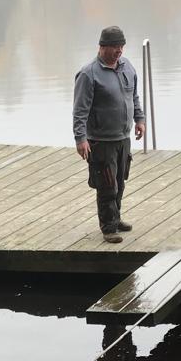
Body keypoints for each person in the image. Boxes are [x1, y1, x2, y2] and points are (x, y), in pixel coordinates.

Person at [72, 24, 146, 243]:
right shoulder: (88, 74)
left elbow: (134, 96)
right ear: (102, 47)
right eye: (115, 46)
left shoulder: (127, 67)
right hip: (101, 141)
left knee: (120, 182)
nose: (119, 51)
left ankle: (116, 217)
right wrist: (80, 138)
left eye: (121, 46)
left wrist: (140, 119)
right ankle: (108, 227)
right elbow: (80, 110)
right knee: (107, 185)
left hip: (122, 137)